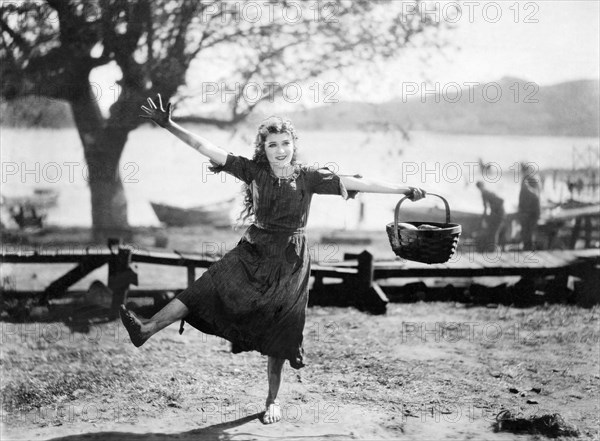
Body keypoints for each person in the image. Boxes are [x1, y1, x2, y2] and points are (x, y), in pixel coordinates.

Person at [120, 94, 426, 424]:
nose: (280, 150)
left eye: (285, 143)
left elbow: (357, 182)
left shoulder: (308, 176)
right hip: (252, 250)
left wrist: (403, 188)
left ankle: (272, 401)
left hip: (290, 263)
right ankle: (147, 328)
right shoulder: (251, 170)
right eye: (272, 145)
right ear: (262, 149)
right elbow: (206, 147)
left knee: (282, 328)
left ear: (293, 144)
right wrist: (169, 125)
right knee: (203, 290)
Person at [475, 181, 505, 252]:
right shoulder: (488, 192)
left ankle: (492, 249)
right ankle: (492, 249)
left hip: (498, 213)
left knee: (493, 231)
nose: (480, 189)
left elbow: (486, 207)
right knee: (493, 231)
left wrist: (484, 219)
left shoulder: (485, 193)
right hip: (499, 213)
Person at [518, 163, 541, 250]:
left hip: (532, 211)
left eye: (524, 171)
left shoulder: (532, 179)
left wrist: (527, 187)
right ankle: (526, 249)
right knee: (525, 232)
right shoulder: (525, 179)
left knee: (529, 232)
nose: (523, 173)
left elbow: (536, 195)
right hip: (525, 211)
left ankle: (529, 250)